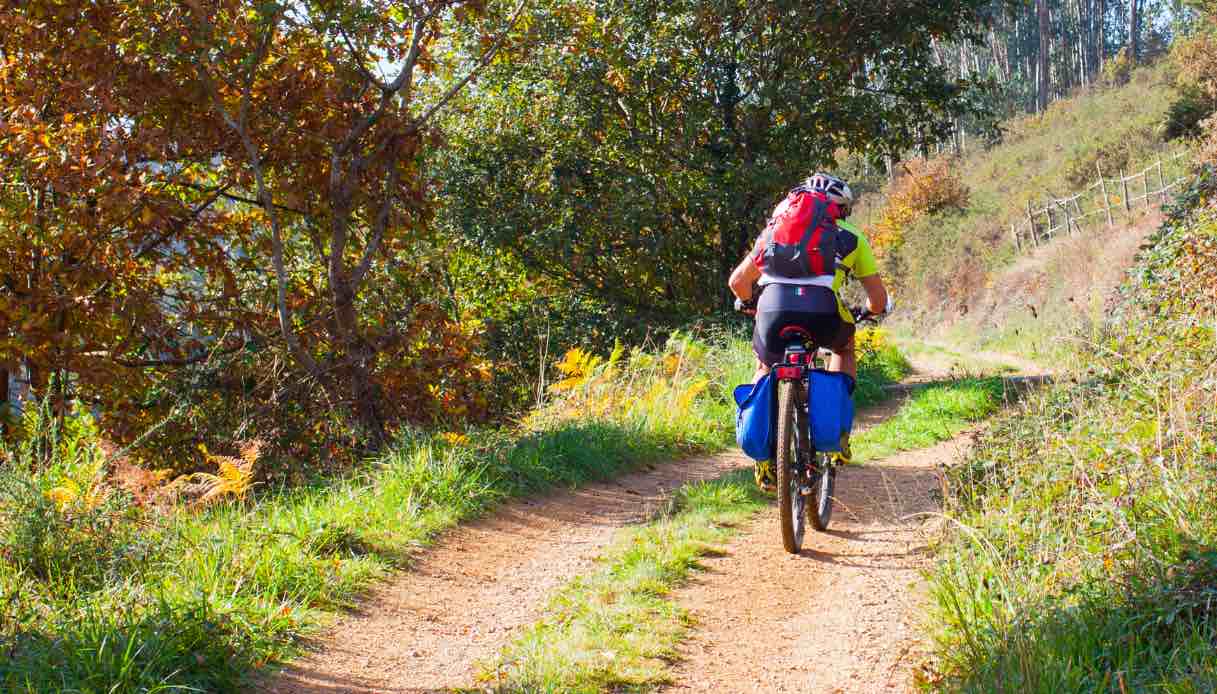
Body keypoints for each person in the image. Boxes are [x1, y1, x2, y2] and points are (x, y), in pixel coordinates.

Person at [728, 172, 889, 488]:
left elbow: (737, 282)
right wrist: (869, 312)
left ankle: (763, 454)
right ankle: (838, 434)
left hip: (773, 309)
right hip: (822, 311)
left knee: (764, 364)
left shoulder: (775, 231)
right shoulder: (852, 237)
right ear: (841, 208)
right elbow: (878, 300)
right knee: (843, 347)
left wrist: (750, 303)